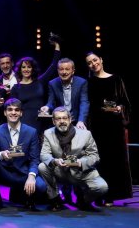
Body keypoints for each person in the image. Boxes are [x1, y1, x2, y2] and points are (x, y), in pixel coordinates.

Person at [38, 107, 108, 211]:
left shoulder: (85, 134)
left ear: (70, 119)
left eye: (64, 118)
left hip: (80, 172)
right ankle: (55, 199)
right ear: (53, 121)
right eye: (58, 119)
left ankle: (84, 200)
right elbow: (44, 154)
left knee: (102, 187)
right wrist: (54, 161)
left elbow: (95, 156)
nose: (62, 121)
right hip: (60, 171)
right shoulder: (48, 133)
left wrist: (81, 163)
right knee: (42, 166)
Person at [85, 52, 132, 206]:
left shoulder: (116, 79)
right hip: (97, 127)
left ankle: (112, 194)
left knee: (114, 160)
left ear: (101, 60)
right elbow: (89, 106)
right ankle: (99, 194)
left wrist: (119, 108)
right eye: (89, 62)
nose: (93, 64)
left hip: (114, 127)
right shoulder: (89, 82)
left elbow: (125, 102)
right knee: (100, 160)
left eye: (95, 60)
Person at [0, 98, 46, 211]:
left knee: (41, 186)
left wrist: (31, 177)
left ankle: (29, 198)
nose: (13, 112)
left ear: (21, 113)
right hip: (5, 172)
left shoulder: (31, 132)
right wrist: (1, 154)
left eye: (17, 110)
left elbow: (35, 159)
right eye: (10, 110)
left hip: (23, 173)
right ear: (5, 112)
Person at [10, 41, 61, 134]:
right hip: (24, 123)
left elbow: (53, 66)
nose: (26, 69)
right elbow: (13, 109)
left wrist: (57, 46)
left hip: (41, 121)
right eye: (23, 67)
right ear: (20, 69)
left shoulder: (40, 82)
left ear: (32, 69)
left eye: (29, 67)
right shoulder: (15, 88)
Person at [40, 58, 89, 130]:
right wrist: (47, 107)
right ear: (58, 71)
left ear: (73, 71)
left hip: (76, 121)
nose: (64, 72)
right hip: (60, 121)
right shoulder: (52, 83)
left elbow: (84, 102)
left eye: (67, 69)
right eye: (61, 69)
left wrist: (81, 121)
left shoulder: (81, 82)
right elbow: (51, 102)